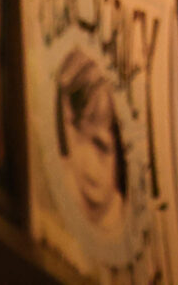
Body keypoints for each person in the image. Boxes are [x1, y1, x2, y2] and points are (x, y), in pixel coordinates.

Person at [54, 48, 131, 238]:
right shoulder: (63, 189)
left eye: (101, 146)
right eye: (78, 135)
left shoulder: (121, 225)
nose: (88, 161)